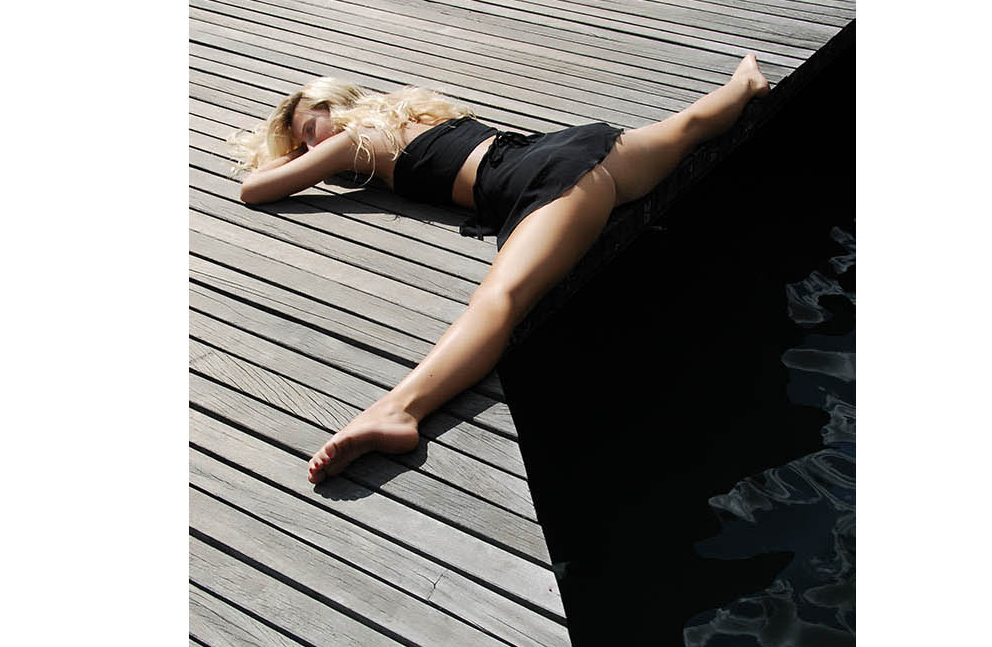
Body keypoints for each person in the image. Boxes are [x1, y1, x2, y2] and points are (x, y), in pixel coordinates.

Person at [228, 55, 770, 484]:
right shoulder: (415, 113)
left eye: (309, 128)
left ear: (336, 108)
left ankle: (398, 410)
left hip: (549, 183)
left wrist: (288, 156)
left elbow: (256, 191)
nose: (310, 144)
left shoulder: (351, 140)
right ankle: (745, 80)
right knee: (690, 125)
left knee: (498, 301)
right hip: (582, 149)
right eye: (302, 140)